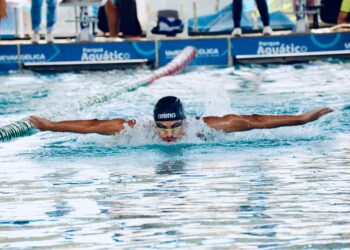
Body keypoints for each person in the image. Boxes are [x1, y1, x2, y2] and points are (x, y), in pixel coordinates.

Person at [29, 96, 333, 144]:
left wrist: (300, 119)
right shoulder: (139, 130)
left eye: (175, 125)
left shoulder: (206, 126)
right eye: (163, 126)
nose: (169, 133)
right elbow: (94, 125)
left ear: (184, 121)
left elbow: (253, 120)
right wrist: (51, 126)